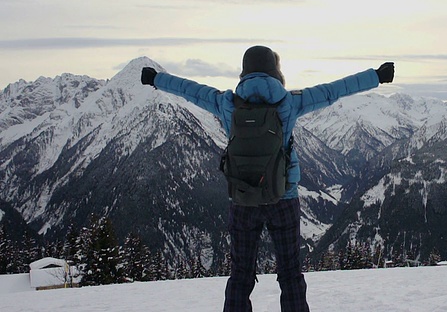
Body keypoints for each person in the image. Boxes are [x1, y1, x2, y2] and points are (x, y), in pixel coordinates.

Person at [141, 45, 394, 311]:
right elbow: (334, 90)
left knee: (240, 275)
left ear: (244, 72)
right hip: (283, 198)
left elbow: (188, 89)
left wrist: (155, 79)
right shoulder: (290, 101)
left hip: (242, 199)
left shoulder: (226, 102)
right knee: (290, 273)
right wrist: (376, 76)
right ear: (275, 71)